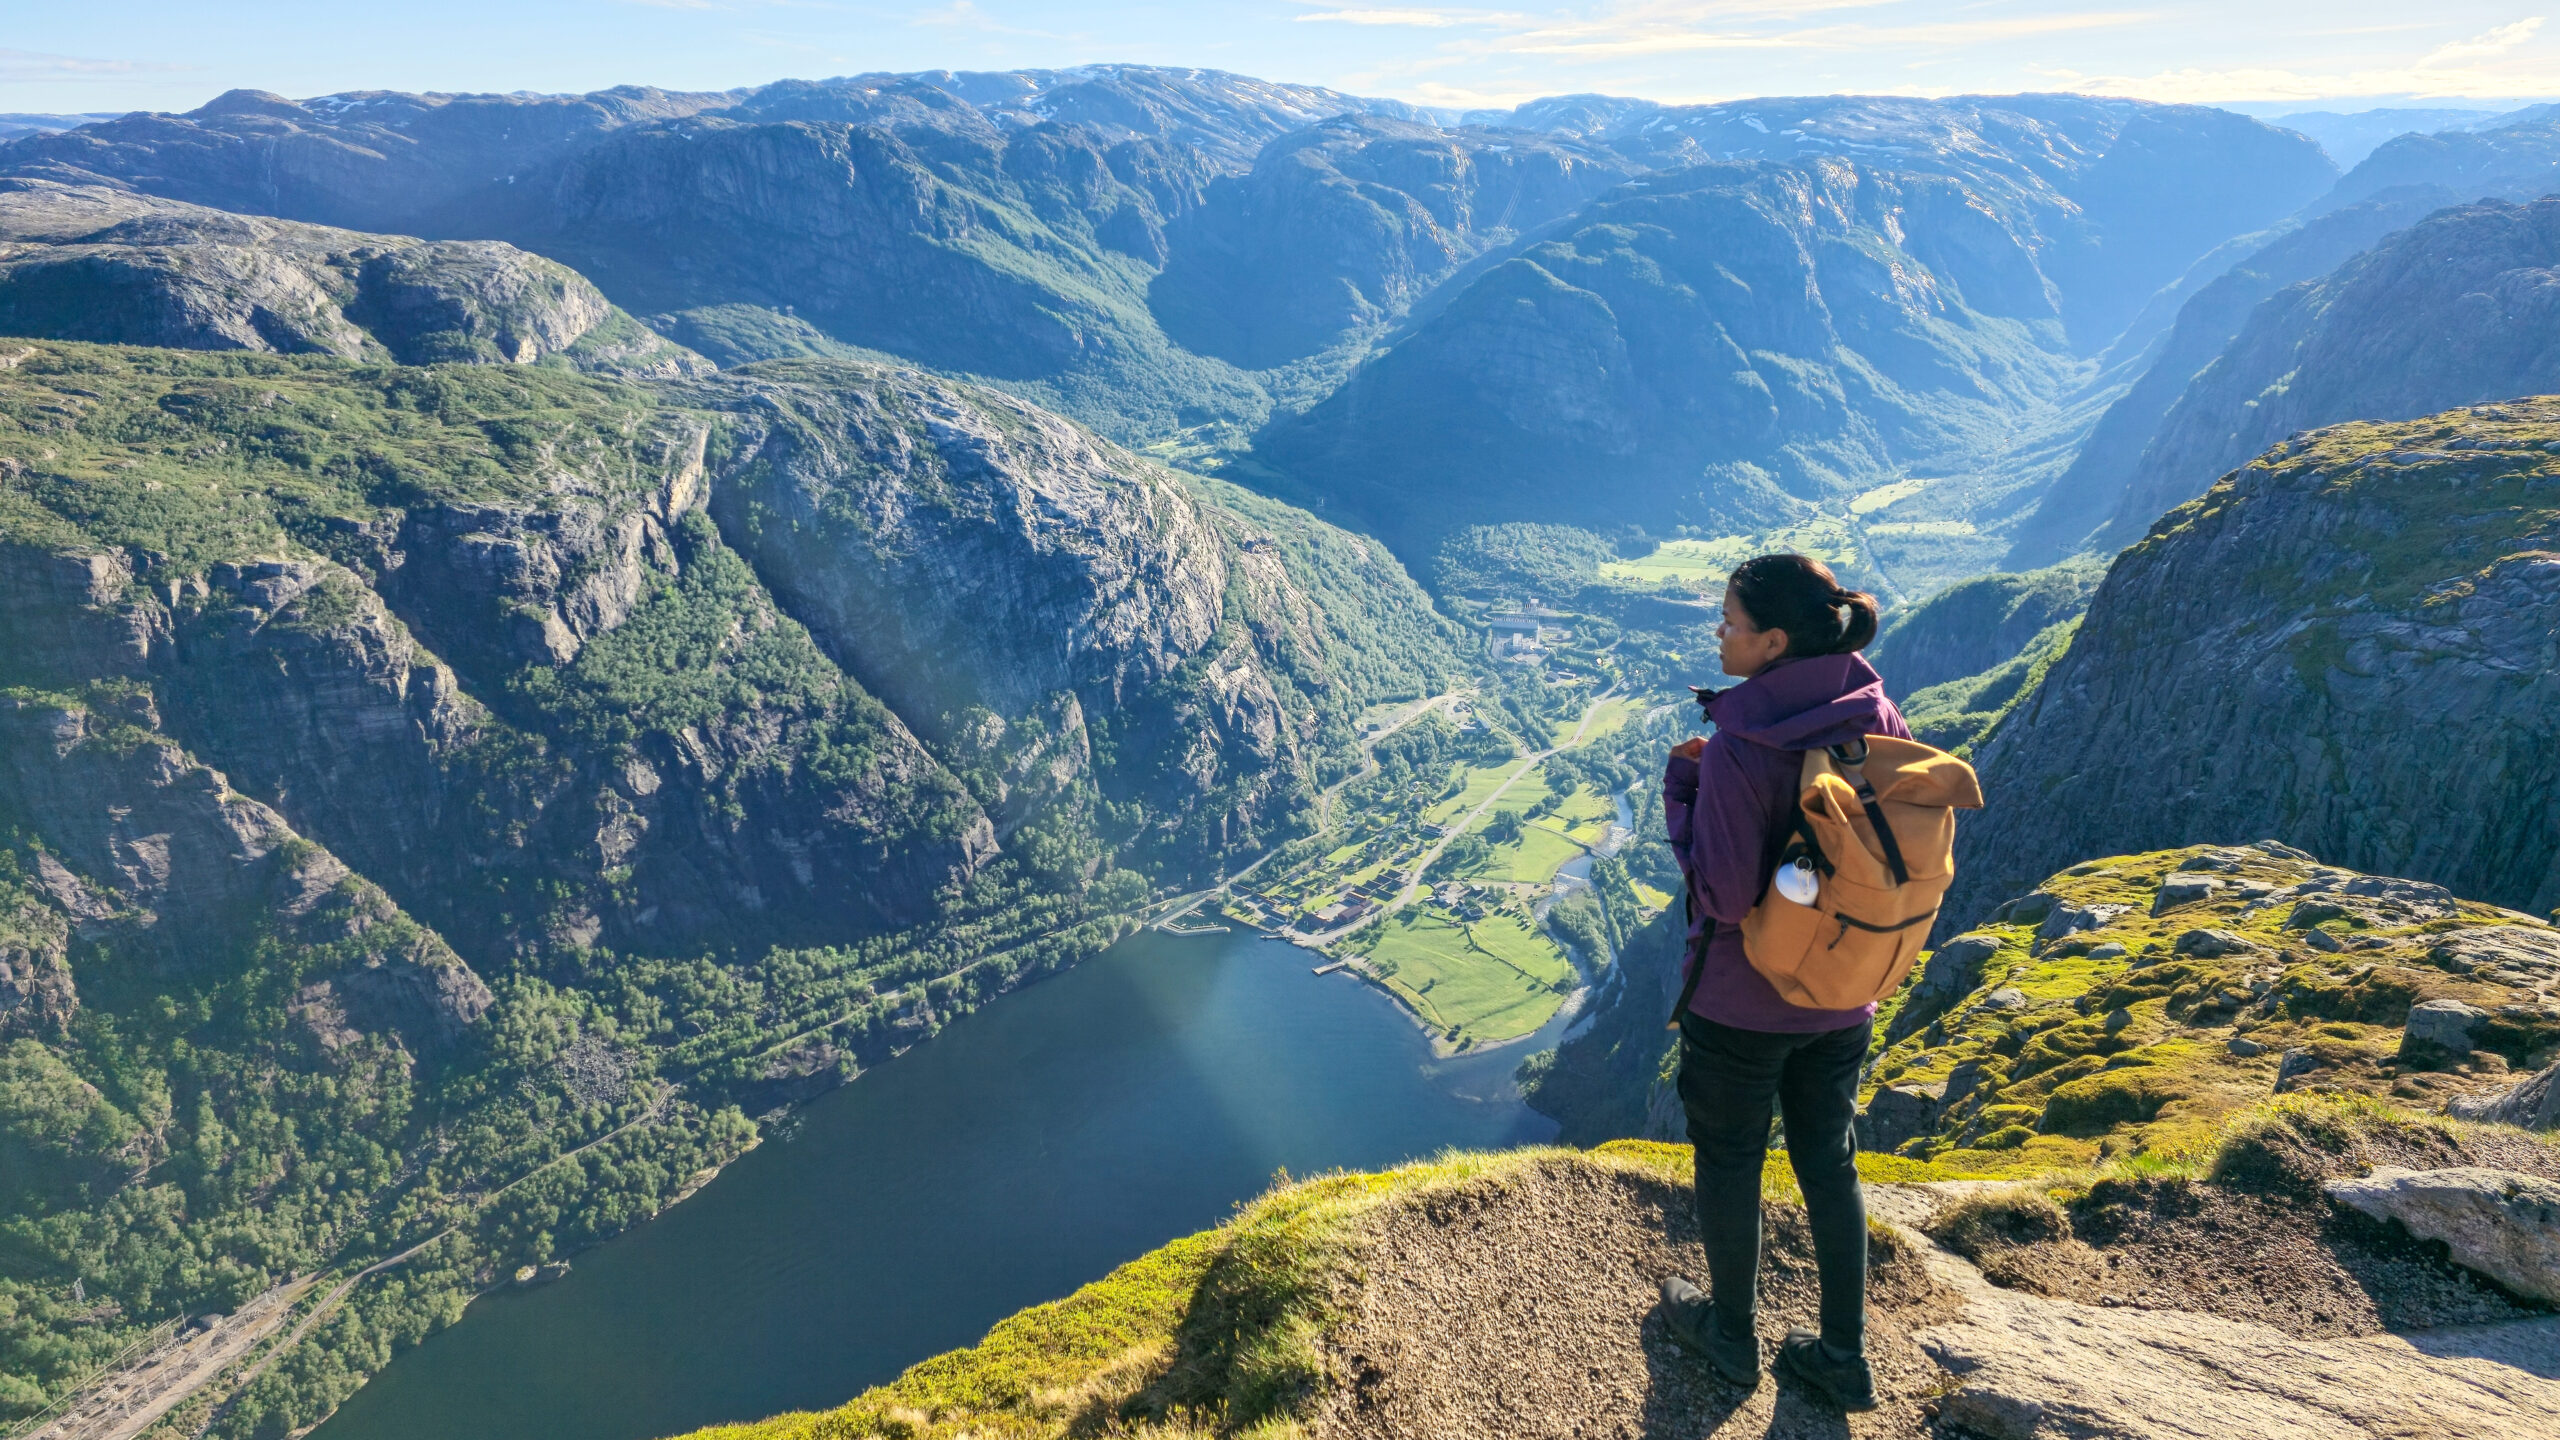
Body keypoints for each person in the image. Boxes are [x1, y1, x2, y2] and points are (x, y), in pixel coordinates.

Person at [1656, 552, 1904, 1411]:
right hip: (1843, 992)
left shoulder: (1737, 748)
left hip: (1743, 1002)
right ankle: (1842, 1354)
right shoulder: (1873, 714)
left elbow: (1723, 894)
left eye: (1727, 621)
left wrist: (1684, 794)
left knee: (1730, 1159)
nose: (1717, 633)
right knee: (1828, 1161)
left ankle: (1731, 1337)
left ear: (1770, 642)